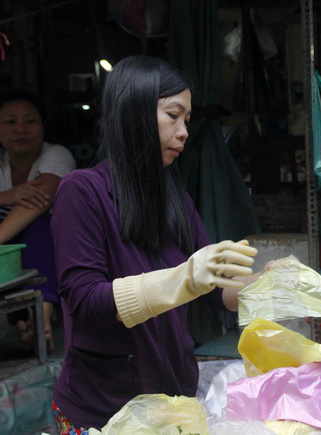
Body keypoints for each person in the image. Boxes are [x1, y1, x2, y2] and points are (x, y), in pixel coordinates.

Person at [50, 55, 266, 432]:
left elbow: (217, 292)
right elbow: (85, 301)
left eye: (186, 119)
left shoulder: (177, 201)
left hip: (171, 402)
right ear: (133, 111)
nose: (183, 131)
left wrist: (274, 284)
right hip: (104, 410)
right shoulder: (82, 192)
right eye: (172, 115)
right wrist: (184, 279)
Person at [0, 90, 76, 352]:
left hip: (48, 252)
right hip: (8, 257)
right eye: (10, 122)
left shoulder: (56, 154)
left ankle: (39, 321)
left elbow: (42, 198)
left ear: (43, 127)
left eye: (30, 121)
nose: (20, 129)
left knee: (37, 225)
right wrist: (8, 195)